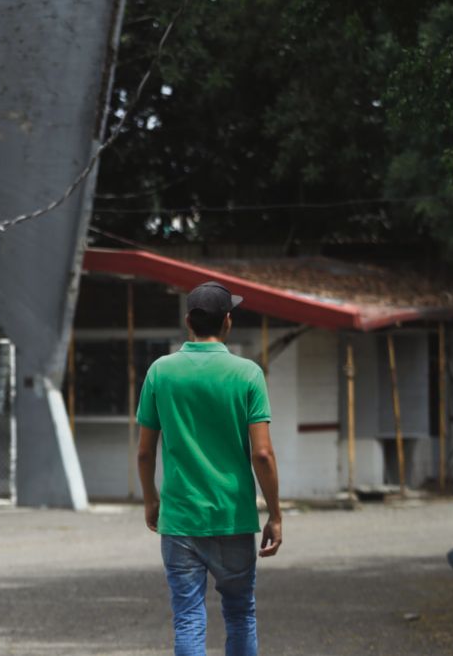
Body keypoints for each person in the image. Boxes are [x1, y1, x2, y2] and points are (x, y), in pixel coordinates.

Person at [135, 281, 282, 656]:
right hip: (233, 517)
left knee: (188, 619)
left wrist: (151, 499)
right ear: (228, 321)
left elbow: (145, 452)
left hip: (180, 517)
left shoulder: (160, 371)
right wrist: (275, 514)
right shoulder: (247, 374)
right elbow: (262, 454)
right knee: (240, 615)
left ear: (189, 321)